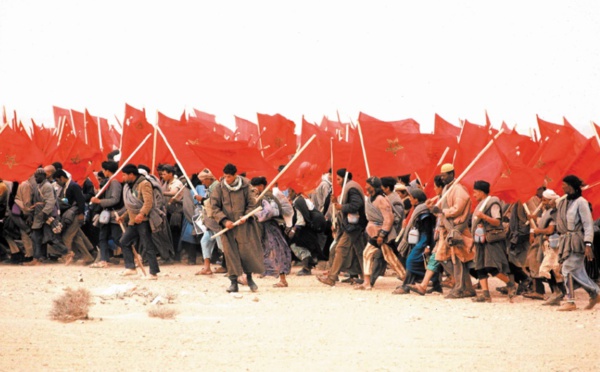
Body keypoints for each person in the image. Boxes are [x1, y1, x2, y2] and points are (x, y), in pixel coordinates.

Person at [210, 163, 264, 292]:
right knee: (230, 253)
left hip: (245, 227)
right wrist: (224, 220)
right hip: (228, 228)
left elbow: (253, 204)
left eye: (229, 177)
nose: (226, 179)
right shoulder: (219, 187)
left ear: (235, 175)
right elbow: (215, 207)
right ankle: (233, 282)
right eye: (225, 176)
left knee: (247, 253)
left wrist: (245, 216)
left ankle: (249, 279)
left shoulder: (246, 186)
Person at [555, 175, 600, 311]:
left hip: (577, 241)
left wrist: (588, 244)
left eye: (564, 184)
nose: (562, 187)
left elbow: (588, 224)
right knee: (578, 272)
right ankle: (595, 293)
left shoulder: (581, 202)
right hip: (565, 241)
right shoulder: (564, 201)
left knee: (567, 269)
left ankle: (570, 301)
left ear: (571, 186)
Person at [317, 169, 367, 287]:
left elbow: (356, 205)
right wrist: (336, 202)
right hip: (355, 225)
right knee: (360, 252)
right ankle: (366, 277)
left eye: (339, 179)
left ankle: (332, 278)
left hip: (353, 225)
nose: (337, 182)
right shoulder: (350, 187)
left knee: (340, 249)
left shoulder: (351, 188)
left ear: (344, 178)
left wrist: (341, 207)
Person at [469, 180, 516, 302]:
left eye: (475, 192)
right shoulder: (481, 204)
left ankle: (510, 284)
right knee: (480, 267)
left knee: (491, 268)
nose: (474, 195)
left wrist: (483, 217)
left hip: (490, 240)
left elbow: (497, 221)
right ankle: (485, 295)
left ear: (481, 192)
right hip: (480, 240)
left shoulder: (492, 203)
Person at [356, 177, 406, 290]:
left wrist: (382, 234)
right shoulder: (370, 198)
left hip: (381, 233)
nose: (365, 187)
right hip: (374, 232)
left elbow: (388, 218)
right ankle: (367, 282)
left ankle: (405, 279)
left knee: (390, 258)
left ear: (373, 186)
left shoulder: (381, 199)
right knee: (368, 253)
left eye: (368, 185)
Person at [435, 163, 476, 299]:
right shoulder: (447, 188)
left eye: (444, 175)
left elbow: (458, 208)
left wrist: (442, 211)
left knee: (457, 259)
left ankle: (459, 288)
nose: (442, 178)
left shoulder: (458, 189)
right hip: (447, 228)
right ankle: (466, 287)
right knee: (445, 258)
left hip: (456, 228)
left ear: (452, 174)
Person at [116, 164, 161, 280]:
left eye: (125, 175)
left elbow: (148, 203)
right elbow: (131, 206)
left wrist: (141, 214)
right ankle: (131, 268)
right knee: (124, 241)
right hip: (133, 221)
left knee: (147, 245)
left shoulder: (144, 184)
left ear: (131, 175)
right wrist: (124, 217)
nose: (123, 177)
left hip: (143, 221)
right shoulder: (129, 186)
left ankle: (153, 273)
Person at [251, 176, 292, 287]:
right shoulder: (268, 196)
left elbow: (269, 212)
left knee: (276, 251)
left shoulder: (265, 197)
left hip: (270, 227)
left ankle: (283, 280)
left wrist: (255, 214)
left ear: (260, 186)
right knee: (265, 250)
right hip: (266, 227)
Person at [394, 188, 435, 294]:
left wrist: (428, 246)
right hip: (418, 238)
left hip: (423, 239)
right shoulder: (417, 209)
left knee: (411, 261)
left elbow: (428, 230)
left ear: (416, 200)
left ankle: (408, 286)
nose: (409, 199)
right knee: (412, 261)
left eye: (411, 197)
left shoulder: (423, 211)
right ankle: (408, 284)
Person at [29, 168, 72, 265]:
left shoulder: (47, 186)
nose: (35, 178)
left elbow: (50, 202)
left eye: (37, 176)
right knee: (36, 237)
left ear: (44, 176)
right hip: (39, 215)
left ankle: (67, 253)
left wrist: (44, 214)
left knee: (50, 238)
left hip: (46, 216)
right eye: (35, 176)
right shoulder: (38, 186)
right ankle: (37, 258)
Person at [54, 169, 95, 264]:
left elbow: (81, 201)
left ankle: (68, 256)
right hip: (72, 215)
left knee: (67, 236)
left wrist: (81, 214)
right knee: (76, 237)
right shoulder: (67, 186)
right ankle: (88, 256)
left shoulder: (73, 186)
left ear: (62, 178)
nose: (57, 182)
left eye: (57, 180)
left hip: (76, 215)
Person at [89, 161, 124, 268]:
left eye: (103, 170)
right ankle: (104, 260)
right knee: (102, 237)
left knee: (117, 237)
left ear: (107, 170)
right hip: (106, 214)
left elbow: (115, 199)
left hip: (114, 214)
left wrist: (99, 201)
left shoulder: (114, 182)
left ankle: (135, 255)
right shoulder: (108, 181)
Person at [195, 168, 226, 275]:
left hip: (217, 222)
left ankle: (228, 267)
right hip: (210, 223)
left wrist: (202, 200)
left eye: (204, 180)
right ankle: (207, 268)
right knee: (205, 242)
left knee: (223, 246)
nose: (202, 183)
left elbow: (215, 203)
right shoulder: (211, 188)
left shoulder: (217, 187)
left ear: (208, 179)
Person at [287, 184, 321, 276]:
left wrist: (293, 230)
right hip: (307, 228)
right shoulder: (300, 200)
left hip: (304, 229)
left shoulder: (298, 201)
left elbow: (301, 219)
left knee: (296, 245)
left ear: (294, 191)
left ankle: (306, 268)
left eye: (290, 191)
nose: (288, 194)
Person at [161, 165, 184, 262]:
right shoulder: (165, 183)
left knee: (175, 234)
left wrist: (160, 192)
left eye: (164, 174)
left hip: (176, 212)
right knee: (168, 234)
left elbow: (173, 193)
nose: (162, 176)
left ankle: (176, 255)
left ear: (170, 174)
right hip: (167, 211)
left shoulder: (177, 182)